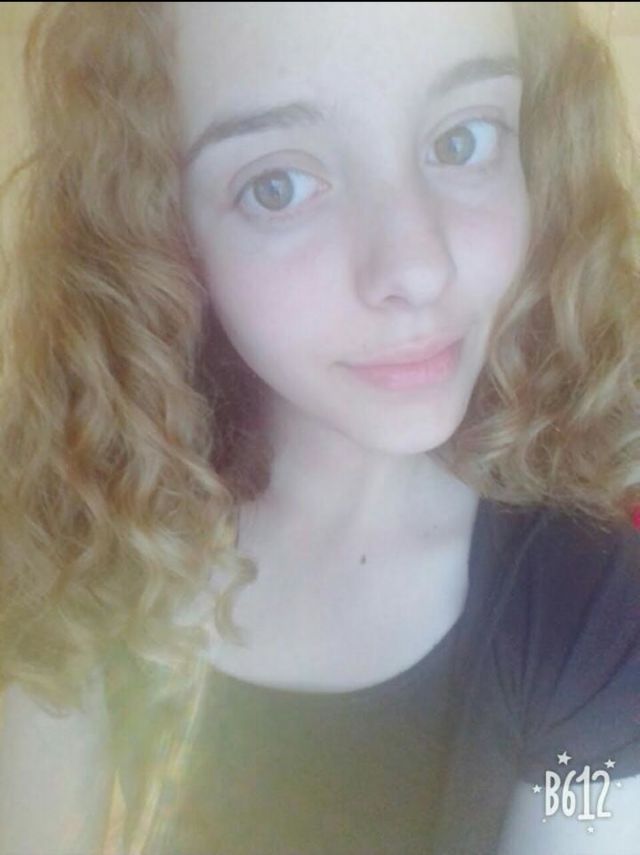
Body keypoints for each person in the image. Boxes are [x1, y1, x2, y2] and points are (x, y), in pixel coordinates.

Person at [0, 2, 639, 854]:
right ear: (159, 229)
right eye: (278, 186)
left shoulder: (594, 609)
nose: (417, 267)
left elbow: (588, 810)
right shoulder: (77, 521)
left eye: (464, 140)